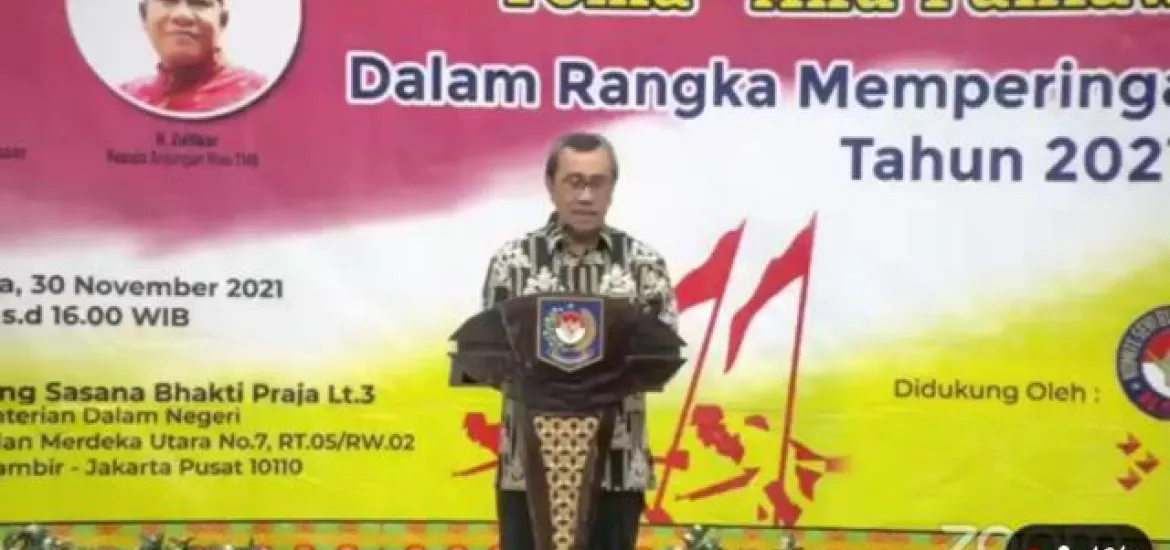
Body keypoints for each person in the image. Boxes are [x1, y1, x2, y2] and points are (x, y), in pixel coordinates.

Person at [479, 132, 679, 550]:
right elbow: (491, 355)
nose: (585, 195)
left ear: (612, 188)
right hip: (526, 469)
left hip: (616, 468)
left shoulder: (643, 265)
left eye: (597, 182)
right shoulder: (512, 263)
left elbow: (663, 357)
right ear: (550, 185)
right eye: (574, 182)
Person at [120, 0, 267, 113]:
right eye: (169, 1)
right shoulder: (124, 101)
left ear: (222, 21)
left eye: (199, 2)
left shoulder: (260, 98)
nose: (182, 15)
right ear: (144, 15)